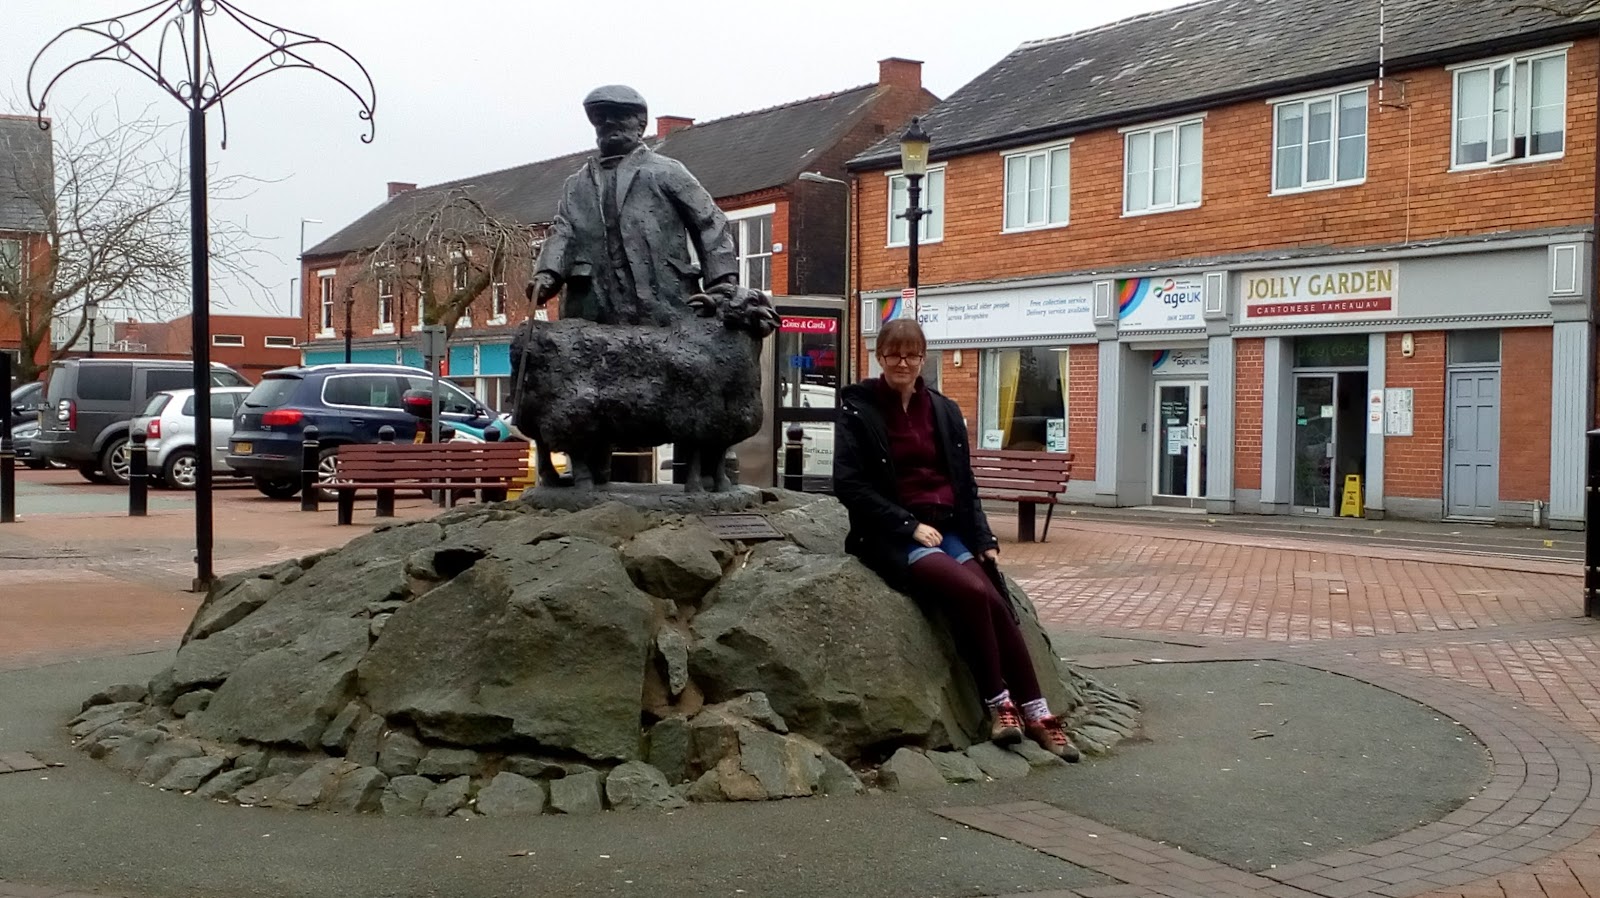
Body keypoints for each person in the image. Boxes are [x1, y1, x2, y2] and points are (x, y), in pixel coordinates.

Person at [833, 318, 1078, 760]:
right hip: (892, 536)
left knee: (996, 601)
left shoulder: (942, 410)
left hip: (947, 528)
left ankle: (1039, 715)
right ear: (880, 357)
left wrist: (982, 537)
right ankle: (999, 705)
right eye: (894, 354)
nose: (902, 362)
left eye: (911, 354)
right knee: (969, 590)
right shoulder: (859, 410)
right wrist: (907, 525)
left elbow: (963, 484)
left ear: (923, 358)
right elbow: (849, 485)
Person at [528, 85, 740, 326]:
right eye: (601, 117)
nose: (609, 122)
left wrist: (722, 284)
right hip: (592, 305)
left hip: (661, 298)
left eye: (619, 115)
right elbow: (563, 234)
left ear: (641, 125)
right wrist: (547, 274)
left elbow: (710, 223)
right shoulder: (576, 185)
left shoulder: (667, 172)